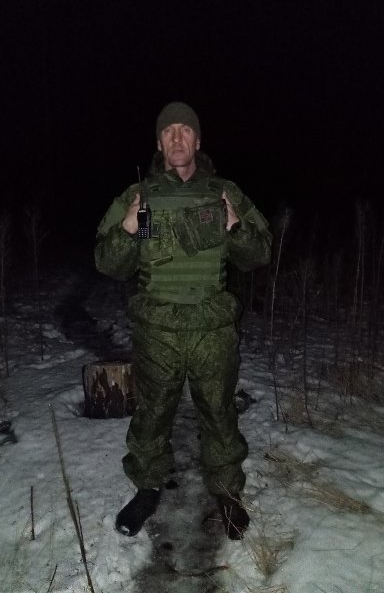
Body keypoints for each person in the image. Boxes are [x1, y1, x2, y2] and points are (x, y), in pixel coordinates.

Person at [95, 101, 272, 540]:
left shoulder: (225, 192)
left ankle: (227, 492)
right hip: (157, 328)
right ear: (159, 143)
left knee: (218, 411)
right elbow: (108, 264)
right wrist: (128, 229)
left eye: (185, 130)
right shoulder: (138, 196)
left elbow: (259, 255)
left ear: (198, 140)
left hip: (212, 326)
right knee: (152, 414)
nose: (177, 138)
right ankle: (147, 488)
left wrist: (235, 227)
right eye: (168, 131)